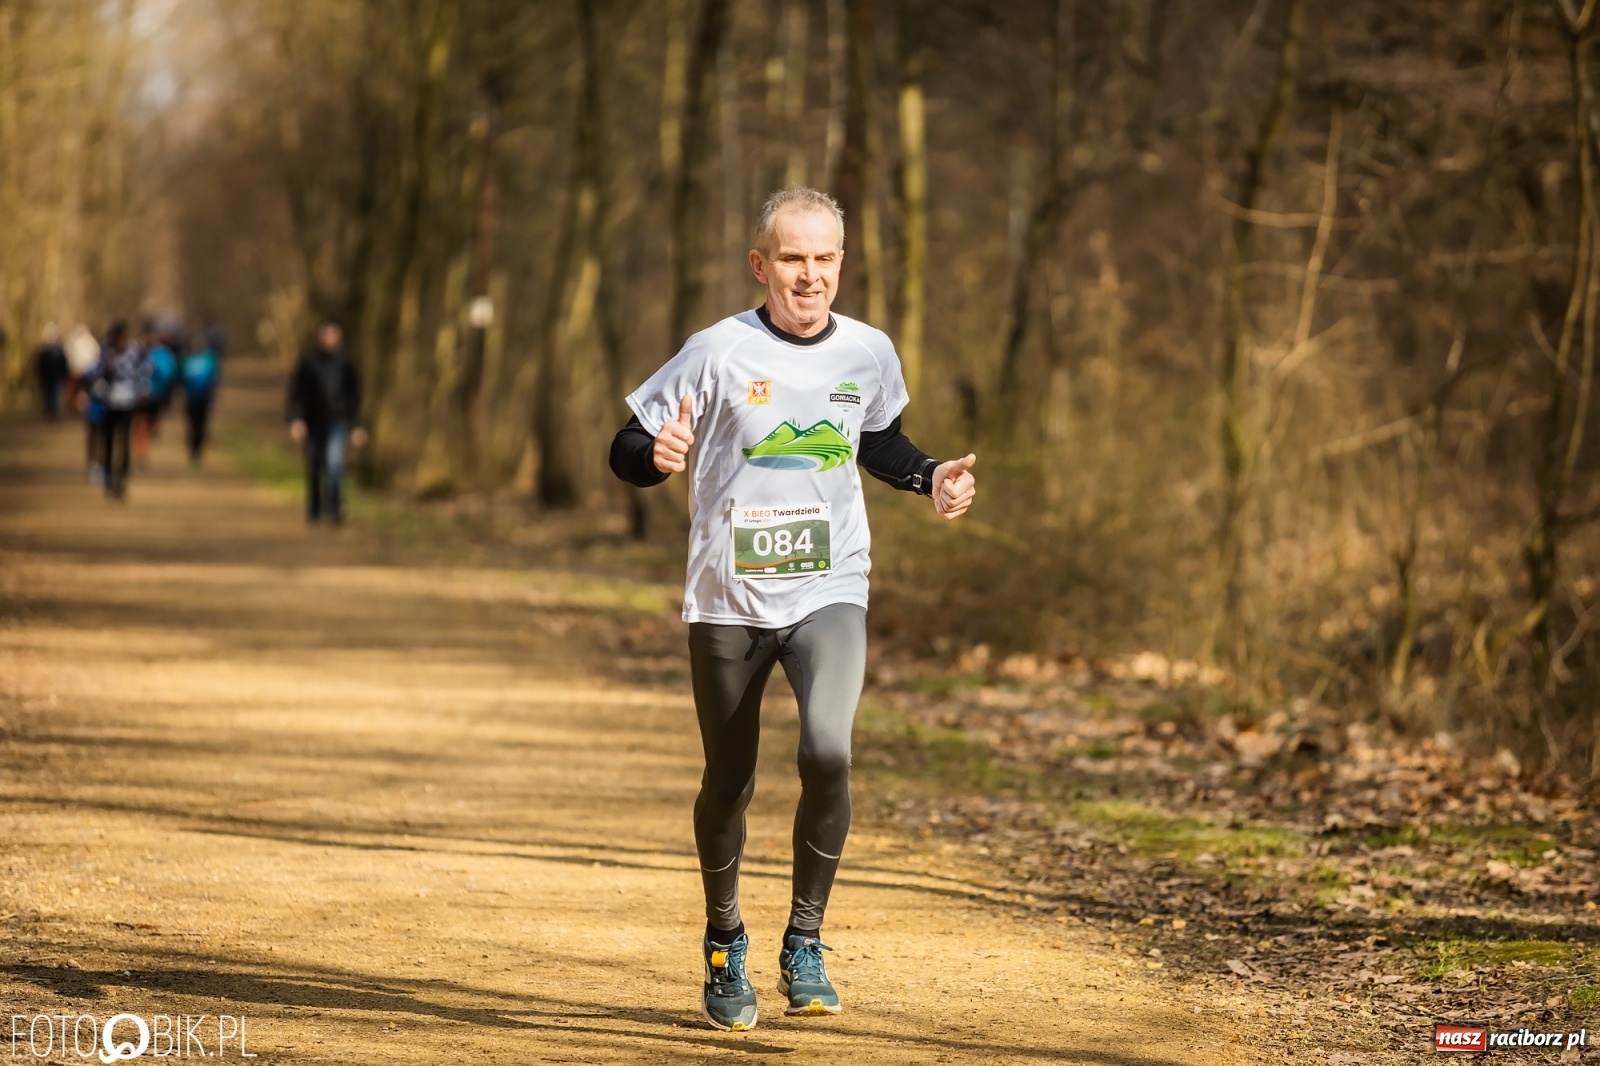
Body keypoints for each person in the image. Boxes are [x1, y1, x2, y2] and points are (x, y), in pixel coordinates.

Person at [608, 187, 977, 1032]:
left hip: (830, 586)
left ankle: (804, 941)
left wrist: (933, 479)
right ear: (760, 264)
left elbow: (877, 441)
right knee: (729, 782)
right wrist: (653, 456)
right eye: (792, 258)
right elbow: (628, 443)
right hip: (725, 600)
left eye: (824, 258)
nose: (809, 275)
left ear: (841, 264)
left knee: (827, 750)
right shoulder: (716, 350)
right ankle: (724, 938)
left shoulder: (869, 351)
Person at [285, 320, 366, 525]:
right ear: (319, 337)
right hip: (312, 421)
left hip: (338, 421)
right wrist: (295, 419)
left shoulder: (346, 362)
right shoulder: (309, 361)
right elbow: (295, 393)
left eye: (333, 335)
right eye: (326, 334)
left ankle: (335, 506)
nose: (329, 339)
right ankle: (314, 509)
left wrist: (357, 424)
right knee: (314, 466)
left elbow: (354, 396)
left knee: (334, 463)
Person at [85, 321, 151, 499]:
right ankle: (107, 473)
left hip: (128, 403)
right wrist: (98, 388)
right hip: (109, 403)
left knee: (124, 440)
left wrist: (143, 390)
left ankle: (122, 474)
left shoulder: (134, 352)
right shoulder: (106, 352)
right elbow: (97, 374)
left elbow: (144, 371)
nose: (120, 342)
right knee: (108, 440)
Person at [180, 325, 225, 466]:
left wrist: (212, 392)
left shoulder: (209, 359)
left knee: (202, 425)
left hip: (204, 398)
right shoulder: (186, 359)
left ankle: (198, 451)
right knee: (191, 425)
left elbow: (214, 377)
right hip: (190, 398)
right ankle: (192, 449)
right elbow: (180, 378)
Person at [34, 324, 69, 419]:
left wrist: (64, 374)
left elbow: (64, 364)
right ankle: (49, 411)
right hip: (47, 377)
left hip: (57, 377)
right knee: (48, 395)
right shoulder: (45, 352)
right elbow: (41, 365)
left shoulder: (60, 352)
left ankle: (53, 412)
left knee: (55, 395)